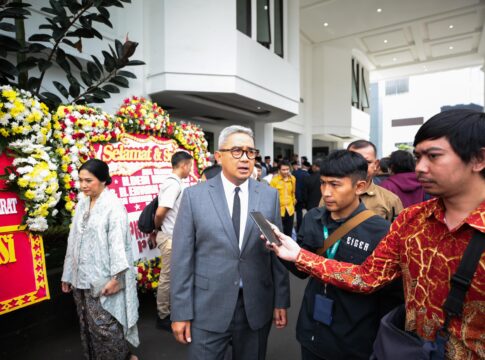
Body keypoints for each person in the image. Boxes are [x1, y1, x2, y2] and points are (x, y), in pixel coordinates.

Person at [265, 109, 485, 359]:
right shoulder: (412, 220)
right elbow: (368, 277)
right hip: (411, 350)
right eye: (418, 157)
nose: (420, 167)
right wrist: (299, 256)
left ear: (478, 159)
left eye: (433, 156)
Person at [170, 125, 290, 360]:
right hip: (207, 307)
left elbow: (278, 252)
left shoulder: (268, 195)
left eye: (250, 152)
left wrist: (281, 300)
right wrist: (180, 312)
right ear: (218, 156)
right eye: (236, 151)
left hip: (255, 306)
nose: (245, 158)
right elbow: (182, 259)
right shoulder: (195, 196)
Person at [284, 150, 400, 360]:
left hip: (354, 340)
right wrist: (281, 250)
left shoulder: (381, 231)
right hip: (310, 330)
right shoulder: (313, 218)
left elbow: (390, 297)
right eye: (323, 183)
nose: (326, 192)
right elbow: (301, 272)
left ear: (360, 187)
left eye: (335, 185)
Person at [61, 159, 139, 360]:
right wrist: (67, 274)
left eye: (88, 180)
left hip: (103, 279)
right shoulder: (82, 203)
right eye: (80, 180)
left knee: (105, 326)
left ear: (103, 180)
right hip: (80, 277)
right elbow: (73, 239)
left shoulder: (113, 206)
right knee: (86, 322)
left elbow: (118, 244)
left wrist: (116, 278)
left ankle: (121, 357)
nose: (83, 185)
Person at [154, 151, 194, 331]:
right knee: (168, 277)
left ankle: (170, 310)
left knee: (173, 276)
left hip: (174, 236)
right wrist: (157, 229)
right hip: (169, 236)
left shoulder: (176, 183)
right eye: (190, 166)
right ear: (184, 165)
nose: (190, 169)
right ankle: (163, 315)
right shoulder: (173, 185)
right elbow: (160, 212)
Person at [347, 140, 403, 222]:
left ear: (376, 165)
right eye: (354, 161)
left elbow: (399, 232)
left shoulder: (390, 200)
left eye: (367, 162)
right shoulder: (331, 195)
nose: (360, 166)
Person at [270, 160, 297, 237]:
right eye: (283, 170)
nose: (286, 171)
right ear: (279, 170)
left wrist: (293, 203)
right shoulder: (274, 181)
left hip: (290, 210)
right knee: (278, 233)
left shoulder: (293, 179)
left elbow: (293, 192)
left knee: (288, 232)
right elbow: (271, 197)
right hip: (278, 211)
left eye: (287, 169)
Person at [293, 160, 310, 232]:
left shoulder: (295, 173)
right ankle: (302, 227)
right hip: (303, 197)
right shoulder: (308, 175)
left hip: (295, 196)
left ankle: (297, 227)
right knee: (303, 213)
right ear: (308, 167)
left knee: (297, 213)